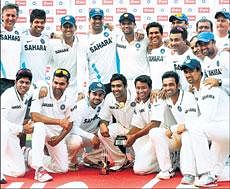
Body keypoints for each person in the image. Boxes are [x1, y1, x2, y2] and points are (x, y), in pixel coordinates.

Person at [181, 58, 229, 187]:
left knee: (195, 128)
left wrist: (184, 126)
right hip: (220, 131)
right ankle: (210, 176)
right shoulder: (196, 90)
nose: (188, 75)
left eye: (191, 71)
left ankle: (204, 172)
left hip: (224, 127)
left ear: (199, 71)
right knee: (216, 170)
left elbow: (208, 117)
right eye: (185, 72)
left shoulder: (209, 86)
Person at [27, 68, 76, 182]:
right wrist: (59, 122)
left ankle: (29, 155)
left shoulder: (70, 97)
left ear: (67, 84)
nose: (58, 86)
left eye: (62, 84)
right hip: (40, 129)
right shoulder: (42, 90)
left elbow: (70, 123)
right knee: (39, 125)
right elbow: (34, 116)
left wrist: (59, 138)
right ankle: (39, 169)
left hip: (55, 134)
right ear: (51, 81)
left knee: (62, 168)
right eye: (56, 82)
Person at [1, 68, 33, 184]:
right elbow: (1, 121)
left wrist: (43, 87)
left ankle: (23, 153)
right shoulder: (7, 96)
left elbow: (40, 85)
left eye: (27, 83)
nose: (24, 85)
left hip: (12, 136)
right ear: (15, 82)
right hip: (3, 133)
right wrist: (22, 129)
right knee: (3, 129)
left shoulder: (29, 93)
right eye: (21, 82)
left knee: (19, 172)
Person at [98, 74, 136, 170]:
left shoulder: (136, 95)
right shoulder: (109, 97)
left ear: (126, 86)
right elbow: (104, 118)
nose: (115, 89)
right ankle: (121, 160)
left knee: (139, 166)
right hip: (123, 129)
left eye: (119, 86)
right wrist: (102, 125)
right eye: (113, 86)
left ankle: (136, 158)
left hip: (138, 132)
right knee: (102, 132)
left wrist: (155, 92)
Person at [66, 82, 106, 170]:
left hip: (90, 135)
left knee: (107, 134)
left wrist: (98, 134)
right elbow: (72, 128)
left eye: (100, 95)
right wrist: (91, 136)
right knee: (75, 142)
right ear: (88, 94)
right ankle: (70, 162)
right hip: (73, 136)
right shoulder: (80, 106)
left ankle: (90, 159)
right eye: (94, 94)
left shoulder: (104, 105)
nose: (97, 97)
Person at [125, 75, 160, 175]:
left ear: (150, 88)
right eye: (138, 88)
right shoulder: (139, 103)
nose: (140, 90)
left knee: (139, 170)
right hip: (150, 137)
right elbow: (137, 125)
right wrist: (127, 137)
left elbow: (155, 124)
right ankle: (155, 160)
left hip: (161, 136)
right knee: (129, 137)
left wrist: (134, 137)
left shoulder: (156, 98)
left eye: (144, 88)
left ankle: (168, 161)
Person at [47, 15, 86, 100]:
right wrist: (52, 34)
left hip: (75, 91)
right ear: (61, 28)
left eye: (70, 26)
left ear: (75, 27)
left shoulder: (82, 43)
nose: (68, 29)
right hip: (58, 89)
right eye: (65, 26)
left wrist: (81, 91)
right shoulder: (53, 45)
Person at [80, 8, 118, 94]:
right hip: (96, 83)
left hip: (113, 82)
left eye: (99, 18)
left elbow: (127, 34)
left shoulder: (111, 33)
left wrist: (139, 32)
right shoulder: (85, 41)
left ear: (103, 19)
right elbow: (81, 67)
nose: (97, 21)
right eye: (94, 18)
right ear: (89, 20)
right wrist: (81, 90)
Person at [116, 12, 150, 94]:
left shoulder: (145, 39)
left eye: (129, 23)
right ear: (120, 26)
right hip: (126, 83)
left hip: (143, 82)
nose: (126, 26)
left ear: (134, 25)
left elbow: (161, 43)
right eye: (123, 24)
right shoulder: (116, 40)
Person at [21, 9, 49, 85]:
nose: (39, 25)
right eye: (36, 22)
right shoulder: (22, 37)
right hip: (24, 82)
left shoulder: (47, 38)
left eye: (42, 22)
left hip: (41, 83)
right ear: (31, 22)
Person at [0, 3, 23, 95]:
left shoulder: (21, 32)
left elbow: (37, 32)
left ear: (17, 17)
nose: (10, 18)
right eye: (7, 15)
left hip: (16, 80)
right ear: (2, 16)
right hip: (1, 78)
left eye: (13, 15)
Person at [146, 22, 174, 90]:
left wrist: (164, 88)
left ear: (162, 34)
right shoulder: (145, 50)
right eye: (151, 33)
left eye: (156, 32)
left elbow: (171, 72)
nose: (154, 35)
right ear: (147, 36)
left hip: (165, 89)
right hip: (150, 91)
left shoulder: (170, 49)